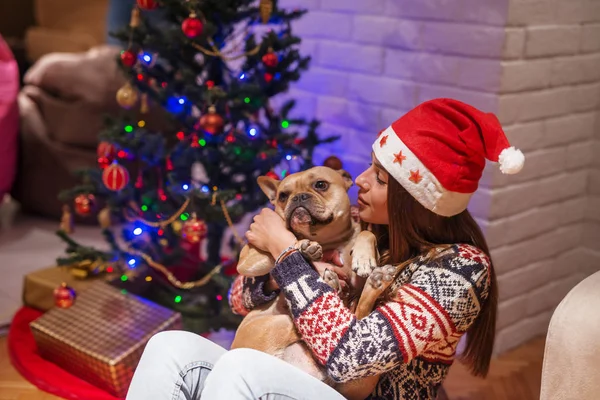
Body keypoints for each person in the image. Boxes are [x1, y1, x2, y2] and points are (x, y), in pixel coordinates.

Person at [126, 98, 525, 400]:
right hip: (308, 378)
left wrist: (286, 253)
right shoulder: (355, 224)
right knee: (170, 345)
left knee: (241, 368)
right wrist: (274, 267)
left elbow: (353, 357)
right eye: (369, 167)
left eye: (381, 178)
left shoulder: (461, 270)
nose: (362, 180)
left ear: (417, 198)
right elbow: (239, 299)